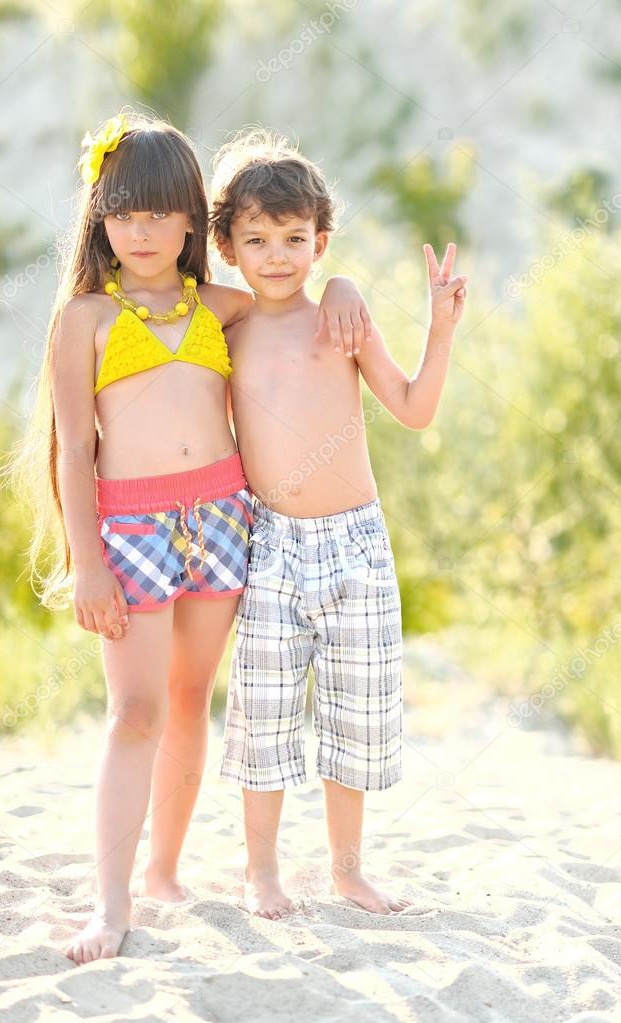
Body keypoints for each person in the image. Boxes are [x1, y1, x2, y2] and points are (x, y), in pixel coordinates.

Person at [8, 110, 370, 963]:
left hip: (221, 519)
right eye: (122, 212)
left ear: (189, 223)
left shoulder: (221, 304)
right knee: (133, 710)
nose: (140, 230)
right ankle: (111, 902)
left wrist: (346, 287)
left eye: (159, 212)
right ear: (100, 220)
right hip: (130, 530)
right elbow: (72, 450)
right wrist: (86, 560)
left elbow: (299, 297)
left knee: (187, 700)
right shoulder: (85, 320)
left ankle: (165, 870)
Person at [209, 130, 468, 919]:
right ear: (226, 247)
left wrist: (439, 327)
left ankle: (346, 869)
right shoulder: (225, 325)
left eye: (294, 239)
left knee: (355, 712)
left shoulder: (342, 322)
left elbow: (415, 411)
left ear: (320, 243)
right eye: (255, 240)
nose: (276, 256)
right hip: (271, 544)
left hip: (355, 541)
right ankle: (261, 871)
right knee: (264, 712)